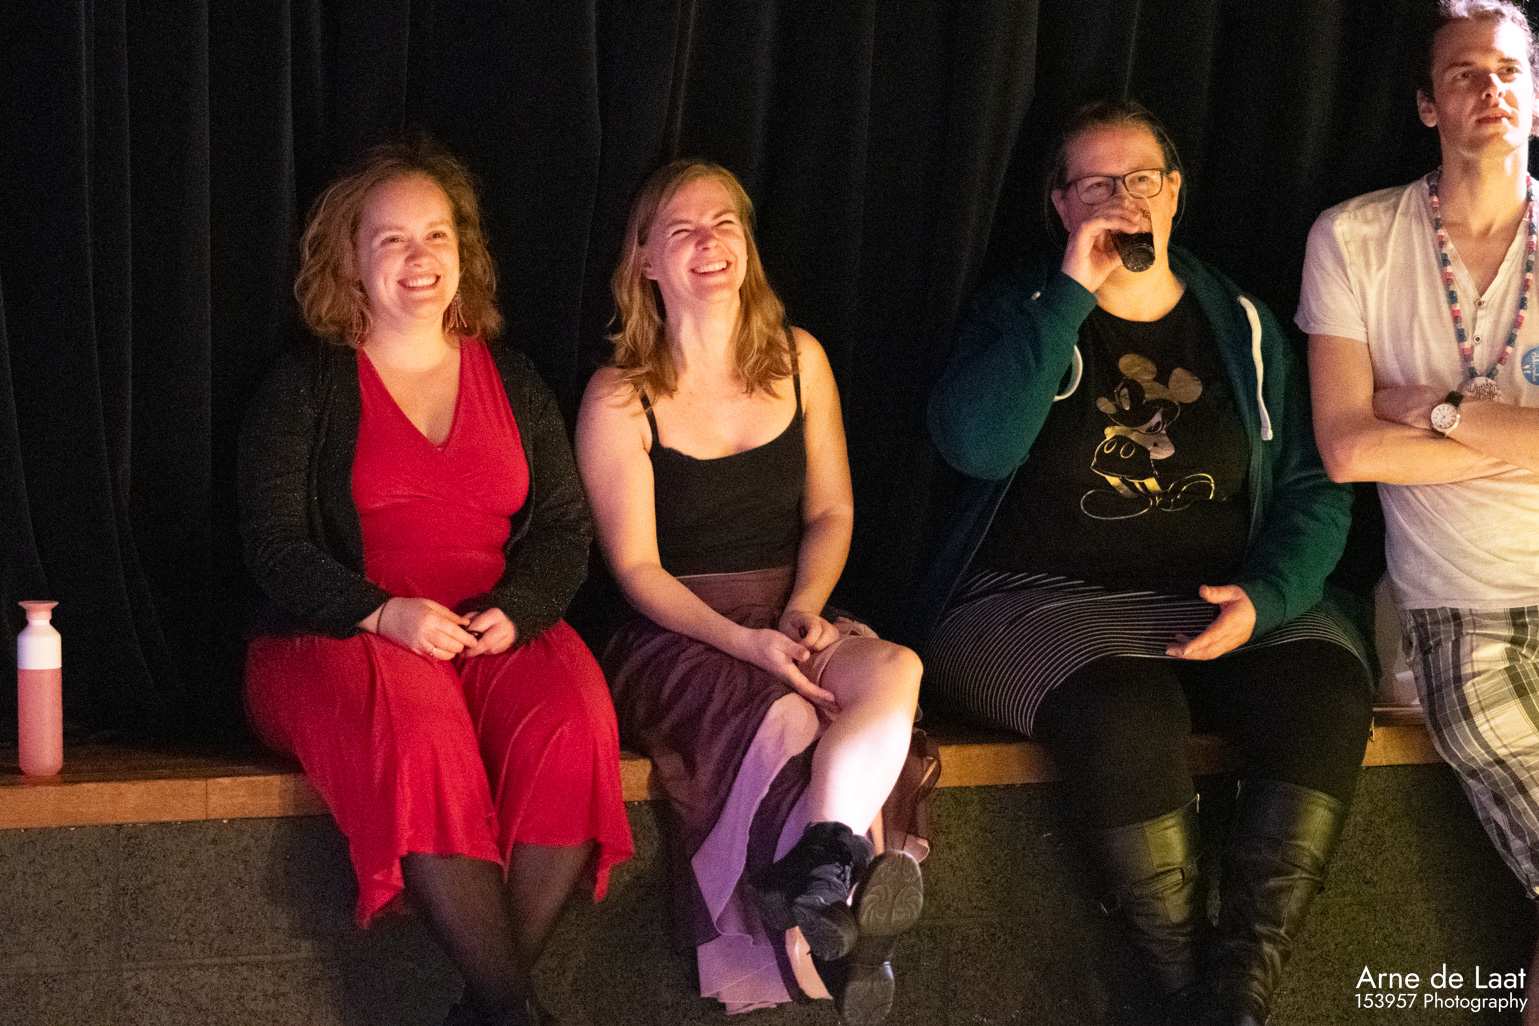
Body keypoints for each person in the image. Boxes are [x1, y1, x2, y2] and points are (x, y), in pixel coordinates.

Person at [918, 100, 1372, 1025]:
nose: (1121, 199)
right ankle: (1195, 1003)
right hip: (1033, 601)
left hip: (1214, 595)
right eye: (1096, 184)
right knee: (1124, 711)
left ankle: (1240, 989)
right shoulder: (1020, 308)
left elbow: (1314, 487)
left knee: (1326, 689)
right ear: (1060, 204)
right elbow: (976, 446)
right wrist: (1068, 296)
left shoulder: (1240, 322)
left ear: (1172, 193)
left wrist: (1266, 597)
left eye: (1139, 179)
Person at [238, 138, 632, 1026]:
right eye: (392, 241)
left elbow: (565, 528)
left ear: (465, 251)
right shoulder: (305, 387)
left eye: (437, 236)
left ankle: (487, 1010)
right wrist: (381, 613)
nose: (420, 259)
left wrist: (518, 612)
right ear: (348, 260)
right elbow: (273, 545)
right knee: (421, 734)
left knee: (574, 720)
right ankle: (510, 1011)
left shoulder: (514, 379)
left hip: (486, 626)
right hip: (338, 633)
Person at [575, 159, 933, 1025]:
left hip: (788, 606)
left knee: (894, 670)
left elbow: (832, 511)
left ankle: (822, 872)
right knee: (787, 722)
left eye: (724, 223)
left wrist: (804, 607)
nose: (709, 242)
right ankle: (820, 959)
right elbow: (637, 570)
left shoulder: (799, 360)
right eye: (683, 229)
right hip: (677, 631)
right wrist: (742, 642)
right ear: (645, 261)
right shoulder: (620, 394)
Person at [1299, 2, 1539, 1020]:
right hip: (1464, 619)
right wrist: (1512, 441)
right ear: (1426, 104)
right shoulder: (1354, 238)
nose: (1491, 89)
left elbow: (1390, 429)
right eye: (1464, 73)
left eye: (1510, 71)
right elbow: (1348, 448)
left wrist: (1436, 410)